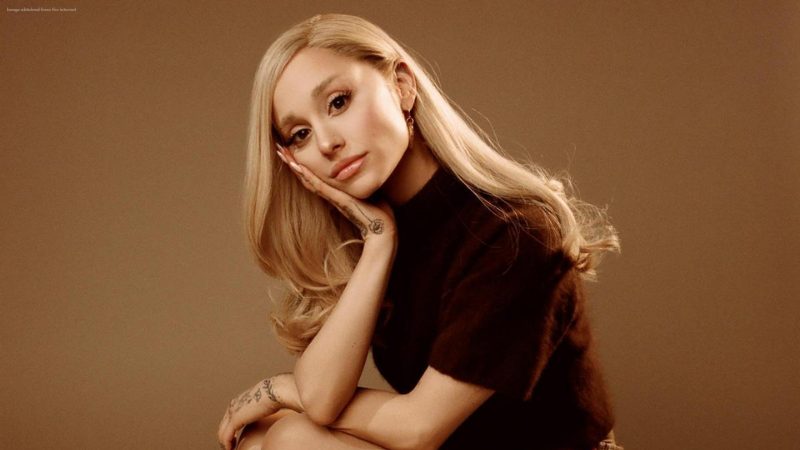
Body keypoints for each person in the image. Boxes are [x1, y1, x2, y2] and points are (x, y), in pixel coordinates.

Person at [218, 13, 623, 450]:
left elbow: (418, 429)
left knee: (291, 438)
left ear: (402, 85)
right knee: (262, 435)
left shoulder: (512, 234)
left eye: (338, 102)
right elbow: (322, 397)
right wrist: (379, 242)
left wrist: (282, 388)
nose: (326, 142)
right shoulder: (381, 234)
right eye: (300, 134)